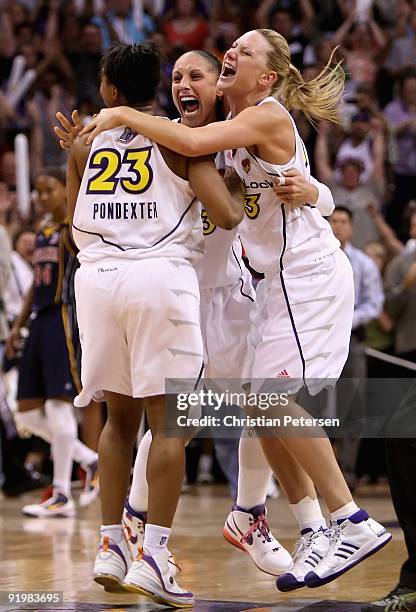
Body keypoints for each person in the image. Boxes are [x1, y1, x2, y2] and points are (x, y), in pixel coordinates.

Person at [80, 28, 392, 591]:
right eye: (177, 77)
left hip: (289, 281)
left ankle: (330, 520)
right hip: (240, 287)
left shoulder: (240, 127)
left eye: (227, 60)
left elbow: (247, 195)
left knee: (260, 404)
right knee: (238, 408)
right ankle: (260, 518)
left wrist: (119, 114)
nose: (189, 81)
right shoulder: (209, 138)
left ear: (261, 78)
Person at [66, 41, 243, 608]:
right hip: (156, 278)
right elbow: (228, 214)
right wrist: (237, 182)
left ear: (110, 89)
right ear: (155, 86)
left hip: (96, 280)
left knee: (117, 421)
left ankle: (110, 545)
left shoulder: (84, 144)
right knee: (167, 427)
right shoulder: (177, 141)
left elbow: (73, 221)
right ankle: (155, 557)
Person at [5, 167, 99, 518]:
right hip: (39, 319)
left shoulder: (74, 229)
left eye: (49, 190)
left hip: (63, 318)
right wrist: (18, 324)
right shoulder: (44, 230)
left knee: (60, 407)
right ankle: (89, 459)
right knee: (26, 411)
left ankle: (61, 492)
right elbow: (33, 284)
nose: (42, 197)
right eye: (39, 192)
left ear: (65, 191)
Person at [329, 206, 384, 488]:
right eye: (333, 221)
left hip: (352, 339)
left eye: (343, 222)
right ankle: (322, 474)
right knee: (318, 408)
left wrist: (344, 319)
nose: (337, 226)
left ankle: (347, 475)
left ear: (351, 227)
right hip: (320, 340)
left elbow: (373, 304)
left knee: (352, 409)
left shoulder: (363, 263)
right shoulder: (315, 259)